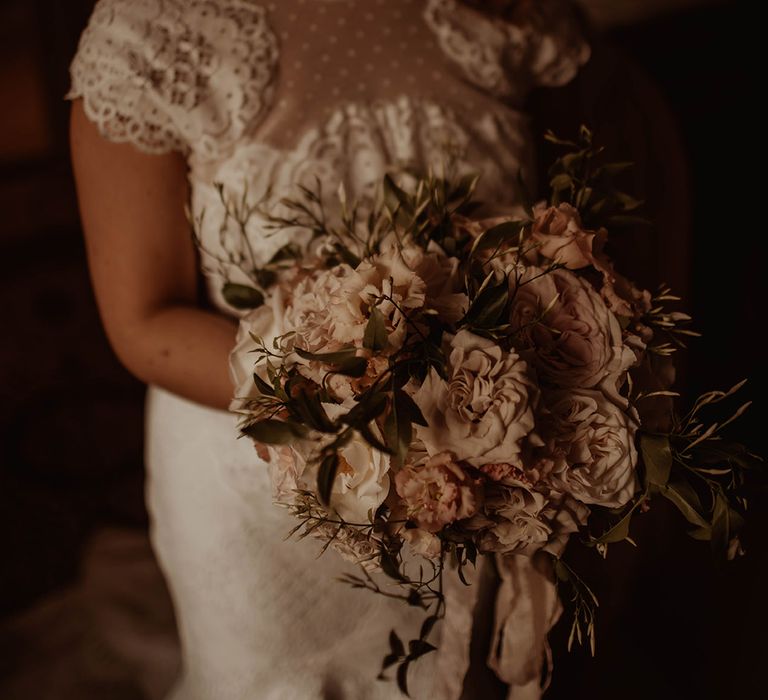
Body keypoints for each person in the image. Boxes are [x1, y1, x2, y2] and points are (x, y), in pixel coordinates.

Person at [68, 1, 590, 698]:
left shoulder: (499, 13)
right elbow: (145, 323)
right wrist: (373, 410)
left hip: (479, 471)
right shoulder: (151, 34)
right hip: (260, 489)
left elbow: (565, 218)